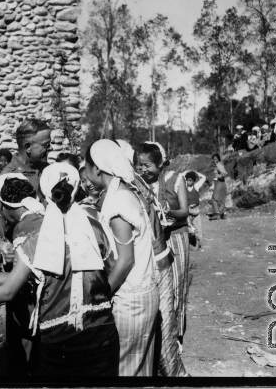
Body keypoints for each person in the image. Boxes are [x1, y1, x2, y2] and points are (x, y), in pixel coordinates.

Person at [0, 165, 120, 376]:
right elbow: (111, 270)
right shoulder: (94, 226)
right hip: (104, 331)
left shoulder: (35, 238)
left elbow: (10, 289)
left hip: (61, 335)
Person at [82, 140, 159, 377]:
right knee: (138, 368)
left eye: (85, 165)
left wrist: (100, 300)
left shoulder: (117, 203)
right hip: (142, 294)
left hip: (131, 300)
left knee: (125, 369)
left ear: (96, 168)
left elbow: (125, 260)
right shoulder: (123, 192)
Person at [136, 142, 190, 375]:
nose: (142, 169)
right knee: (160, 287)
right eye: (139, 165)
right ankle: (161, 336)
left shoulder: (175, 179)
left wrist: (168, 212)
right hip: (156, 241)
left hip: (176, 237)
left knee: (177, 286)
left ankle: (175, 337)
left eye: (147, 165)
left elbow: (185, 212)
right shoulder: (141, 184)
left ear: (160, 164)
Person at [0, 118, 53, 194]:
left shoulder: (46, 168)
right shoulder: (8, 178)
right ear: (28, 147)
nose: (51, 148)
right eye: (46, 145)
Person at [182, 171, 206, 253]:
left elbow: (204, 178)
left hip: (195, 210)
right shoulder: (183, 187)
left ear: (194, 181)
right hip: (187, 211)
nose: (189, 182)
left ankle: (197, 244)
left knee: (197, 228)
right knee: (188, 228)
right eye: (188, 180)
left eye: (191, 180)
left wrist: (196, 172)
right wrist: (187, 172)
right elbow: (180, 176)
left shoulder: (196, 186)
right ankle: (188, 244)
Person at [210, 154, 228, 220]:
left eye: (216, 159)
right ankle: (223, 214)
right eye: (213, 159)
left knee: (214, 198)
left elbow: (224, 173)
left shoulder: (218, 165)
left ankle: (217, 214)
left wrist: (219, 176)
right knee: (222, 199)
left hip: (219, 182)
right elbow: (225, 172)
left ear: (218, 159)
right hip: (223, 183)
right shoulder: (221, 165)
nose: (214, 160)